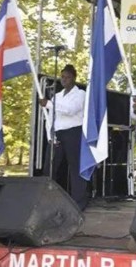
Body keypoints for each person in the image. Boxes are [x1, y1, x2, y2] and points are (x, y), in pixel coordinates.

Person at [41, 64, 88, 211]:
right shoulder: (57, 96)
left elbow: (70, 110)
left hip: (73, 132)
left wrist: (49, 104)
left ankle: (78, 202)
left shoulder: (80, 94)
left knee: (75, 167)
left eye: (68, 77)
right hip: (57, 133)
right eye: (63, 77)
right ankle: (47, 200)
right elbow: (50, 117)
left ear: (74, 78)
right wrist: (50, 135)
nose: (64, 80)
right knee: (50, 166)